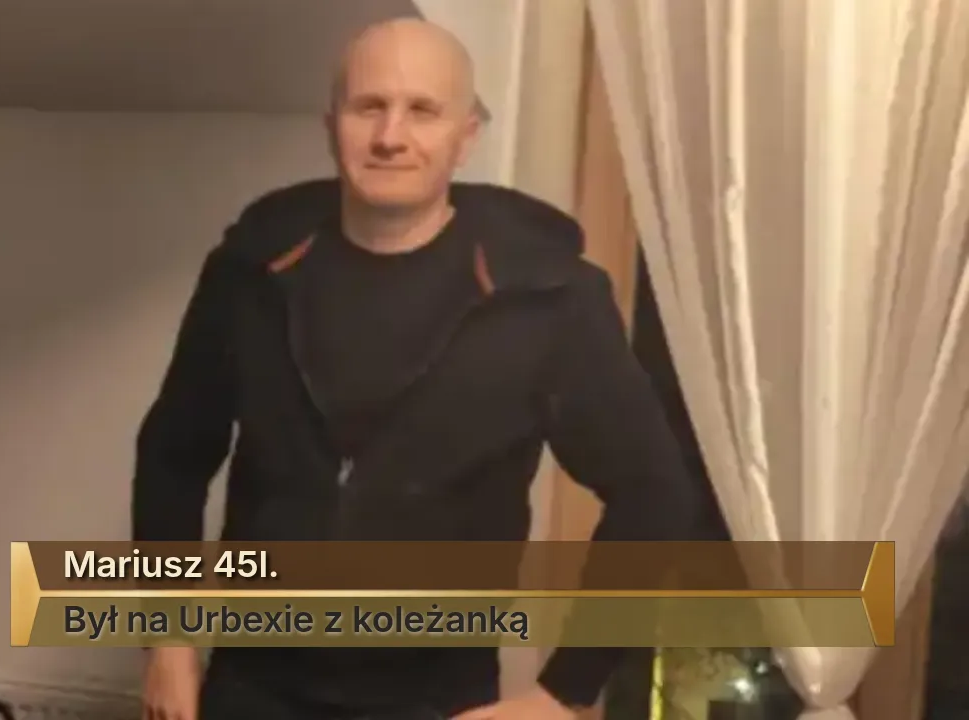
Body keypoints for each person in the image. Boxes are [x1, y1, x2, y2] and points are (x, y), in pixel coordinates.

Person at [132, 17, 700, 720]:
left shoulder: (552, 299)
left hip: (437, 697)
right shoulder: (248, 273)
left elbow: (654, 493)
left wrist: (564, 693)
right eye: (368, 106)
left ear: (466, 136)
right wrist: (167, 640)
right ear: (331, 124)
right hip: (251, 689)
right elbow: (172, 455)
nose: (390, 136)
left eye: (423, 110)